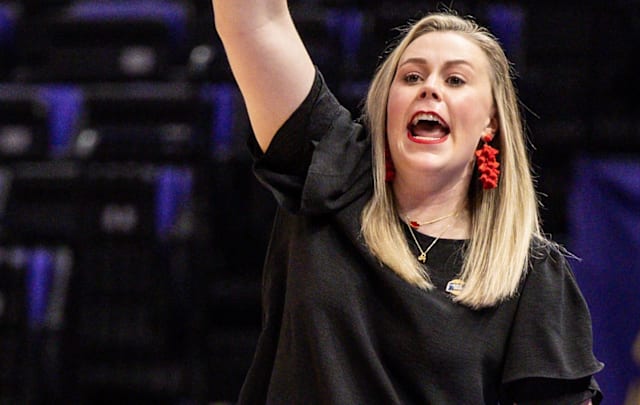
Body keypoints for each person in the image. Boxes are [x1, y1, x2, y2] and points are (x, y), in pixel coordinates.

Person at [213, 1, 604, 404]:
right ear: (387, 103)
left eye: (455, 80)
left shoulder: (530, 273)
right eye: (412, 76)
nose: (429, 87)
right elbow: (252, 20)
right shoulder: (330, 171)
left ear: (491, 121)